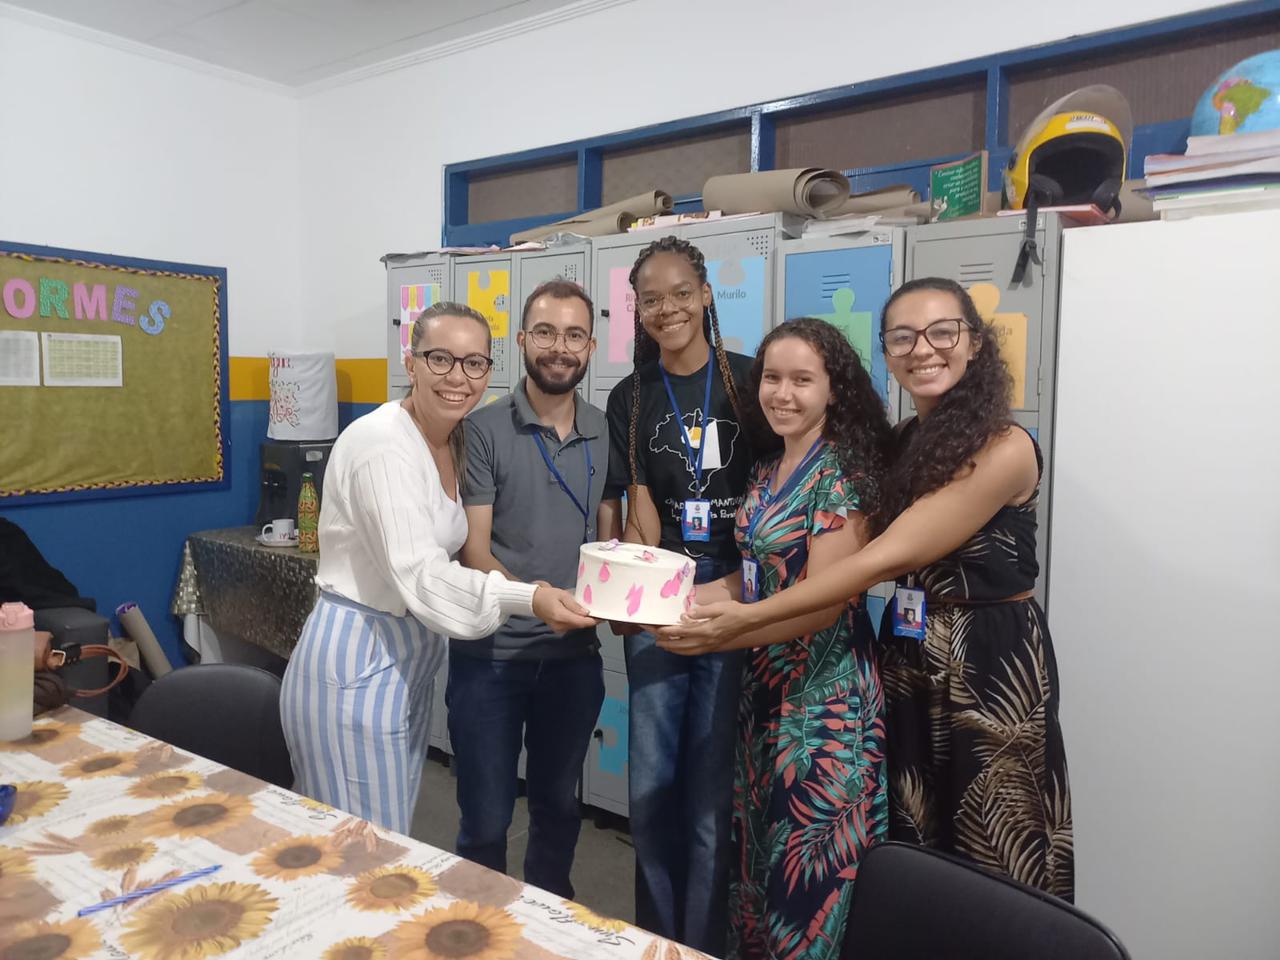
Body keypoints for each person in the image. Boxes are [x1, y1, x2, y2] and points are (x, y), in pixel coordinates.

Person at [660, 278, 1074, 901]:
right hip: (908, 653)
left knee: (992, 845)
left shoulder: (1005, 446)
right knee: (912, 842)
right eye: (903, 337)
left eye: (942, 332)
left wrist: (742, 623)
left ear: (975, 342)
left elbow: (885, 557)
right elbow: (768, 564)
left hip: (986, 660)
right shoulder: (903, 441)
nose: (922, 349)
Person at [279, 301, 594, 835]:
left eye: (474, 363)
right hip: (358, 656)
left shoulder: (453, 439)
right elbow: (421, 576)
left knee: (388, 833)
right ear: (411, 361)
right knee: (359, 847)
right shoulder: (383, 445)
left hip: (410, 657)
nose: (458, 378)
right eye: (440, 359)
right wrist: (531, 597)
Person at [658, 318, 893, 959]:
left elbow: (822, 603)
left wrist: (725, 635)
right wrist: (672, 598)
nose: (782, 393)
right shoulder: (769, 467)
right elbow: (754, 576)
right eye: (772, 378)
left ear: (834, 389)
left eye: (802, 380)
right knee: (761, 863)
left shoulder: (840, 475)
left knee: (808, 874)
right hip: (766, 693)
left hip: (825, 704)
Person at [600, 236, 755, 955]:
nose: (668, 309)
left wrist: (730, 590)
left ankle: (703, 944)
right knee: (651, 792)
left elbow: (774, 498)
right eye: (651, 299)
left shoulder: (749, 382)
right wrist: (633, 595)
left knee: (709, 797)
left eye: (681, 293)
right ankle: (657, 942)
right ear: (638, 309)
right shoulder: (631, 396)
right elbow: (638, 505)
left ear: (706, 295)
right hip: (661, 590)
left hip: (735, 593)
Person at [451, 280, 609, 898]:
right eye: (545, 332)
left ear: (591, 346)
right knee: (485, 820)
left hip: (574, 660)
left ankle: (549, 926)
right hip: (490, 657)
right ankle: (478, 928)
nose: (559, 347)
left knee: (558, 809)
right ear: (521, 339)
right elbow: (474, 550)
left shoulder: (602, 429)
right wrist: (538, 602)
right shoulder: (483, 429)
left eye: (574, 335)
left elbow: (610, 542)